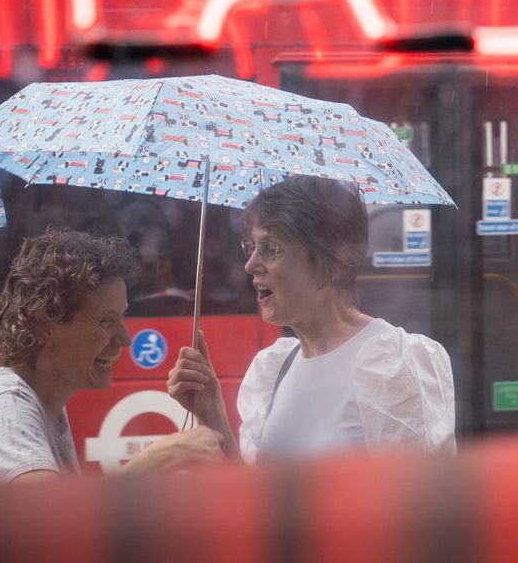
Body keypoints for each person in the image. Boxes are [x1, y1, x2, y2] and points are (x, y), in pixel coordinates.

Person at [167, 175, 455, 462]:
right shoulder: (273, 368)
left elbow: (421, 500)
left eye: (271, 249)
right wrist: (212, 413)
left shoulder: (393, 364)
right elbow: (252, 497)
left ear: (332, 258)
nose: (250, 264)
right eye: (250, 246)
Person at [0, 229, 137, 483]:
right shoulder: (5, 405)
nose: (125, 339)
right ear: (45, 324)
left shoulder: (40, 401)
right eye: (106, 321)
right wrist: (164, 456)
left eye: (123, 316)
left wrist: (204, 413)